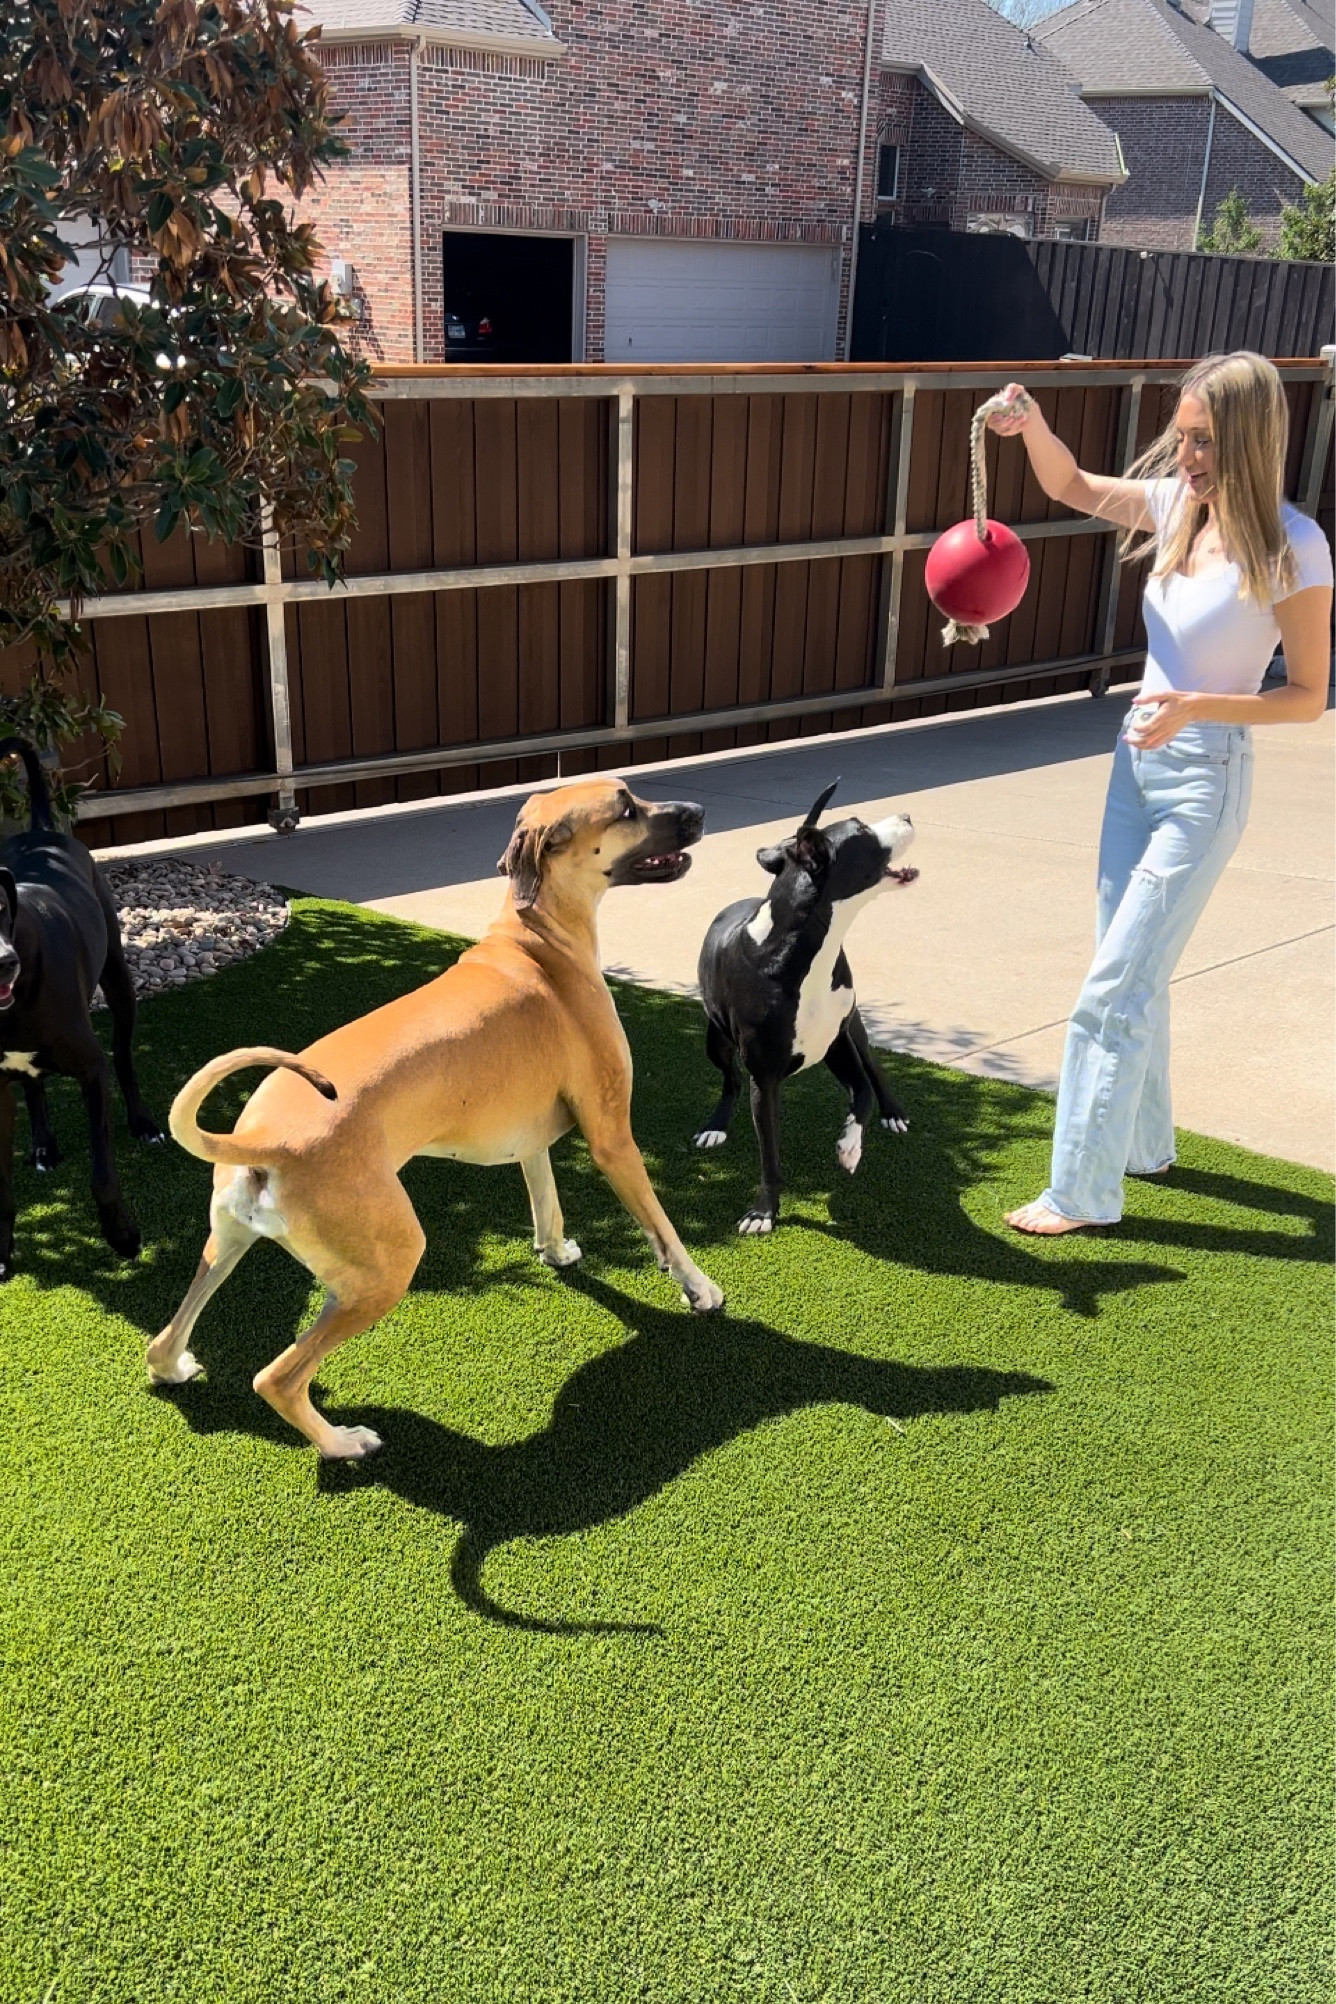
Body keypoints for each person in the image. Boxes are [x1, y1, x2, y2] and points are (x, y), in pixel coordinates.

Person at [986, 351, 1333, 1235]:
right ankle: (1144, 1145)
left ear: (1253, 441)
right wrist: (1029, 424)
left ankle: (1082, 1192)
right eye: (1182, 439)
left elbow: (1306, 696)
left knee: (1113, 986)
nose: (1187, 458)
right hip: (1133, 770)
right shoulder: (1179, 509)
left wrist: (1192, 706)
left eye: (1206, 442)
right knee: (1132, 963)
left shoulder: (1295, 545)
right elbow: (1069, 485)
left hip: (1206, 780)